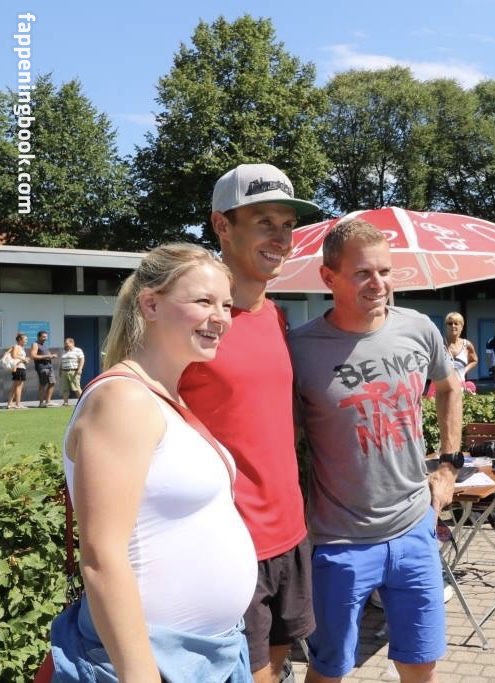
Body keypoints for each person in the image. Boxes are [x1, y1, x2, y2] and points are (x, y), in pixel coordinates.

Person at [51, 244, 257, 682]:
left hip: (210, 653)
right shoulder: (122, 399)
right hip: (151, 661)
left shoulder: (163, 396)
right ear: (151, 305)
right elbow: (102, 558)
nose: (220, 317)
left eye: (226, 305)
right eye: (203, 301)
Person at [288, 220, 463, 683]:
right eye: (363, 273)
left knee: (420, 662)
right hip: (339, 542)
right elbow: (283, 438)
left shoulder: (418, 328)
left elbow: (449, 387)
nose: (379, 284)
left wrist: (448, 465)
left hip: (414, 528)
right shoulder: (300, 349)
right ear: (328, 278)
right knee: (328, 668)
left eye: (385, 271)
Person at [179, 163, 320, 683]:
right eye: (264, 222)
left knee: (277, 670)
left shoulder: (278, 316)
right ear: (222, 225)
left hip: (290, 534)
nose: (281, 238)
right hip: (229, 546)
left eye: (287, 225)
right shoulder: (192, 323)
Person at [30, 330, 58, 407]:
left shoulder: (44, 345)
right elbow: (33, 356)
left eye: (46, 337)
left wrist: (52, 356)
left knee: (52, 383)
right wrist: (48, 356)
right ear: (39, 337)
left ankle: (48, 401)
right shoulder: (35, 344)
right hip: (42, 367)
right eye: (43, 337)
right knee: (43, 384)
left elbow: (46, 355)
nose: (45, 338)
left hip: (49, 366)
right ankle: (41, 403)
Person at [59, 337, 85, 405]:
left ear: (72, 343)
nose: (66, 345)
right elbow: (61, 362)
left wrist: (80, 369)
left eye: (67, 343)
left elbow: (82, 360)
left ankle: (82, 402)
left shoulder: (78, 350)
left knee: (76, 387)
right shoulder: (64, 351)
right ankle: (65, 402)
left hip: (74, 371)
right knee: (65, 388)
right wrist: (60, 370)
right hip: (64, 371)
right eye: (65, 343)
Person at [6, 333, 29, 409]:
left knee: (15, 386)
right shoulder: (17, 346)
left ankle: (10, 404)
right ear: (20, 340)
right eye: (25, 339)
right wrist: (24, 359)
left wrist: (24, 360)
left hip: (20, 367)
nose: (26, 341)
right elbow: (14, 355)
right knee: (19, 387)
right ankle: (18, 404)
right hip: (19, 368)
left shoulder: (20, 347)